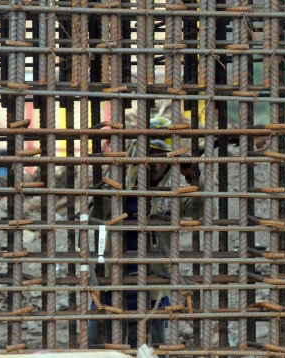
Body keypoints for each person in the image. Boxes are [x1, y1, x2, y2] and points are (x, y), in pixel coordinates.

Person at [88, 116, 215, 349]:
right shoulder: (121, 180)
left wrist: (194, 177)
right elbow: (94, 214)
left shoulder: (175, 192)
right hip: (110, 281)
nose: (153, 163)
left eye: (160, 156)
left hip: (152, 288)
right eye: (150, 154)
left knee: (153, 350)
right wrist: (115, 174)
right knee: (98, 348)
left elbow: (205, 215)